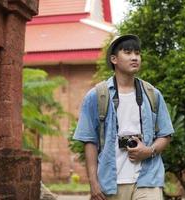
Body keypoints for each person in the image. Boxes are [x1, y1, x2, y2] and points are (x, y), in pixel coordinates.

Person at [73, 34, 174, 200]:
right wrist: (93, 182)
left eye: (137, 53)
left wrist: (148, 151)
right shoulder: (97, 96)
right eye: (127, 52)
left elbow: (166, 134)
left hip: (147, 179)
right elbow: (90, 141)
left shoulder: (152, 94)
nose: (135, 57)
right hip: (110, 182)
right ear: (114, 59)